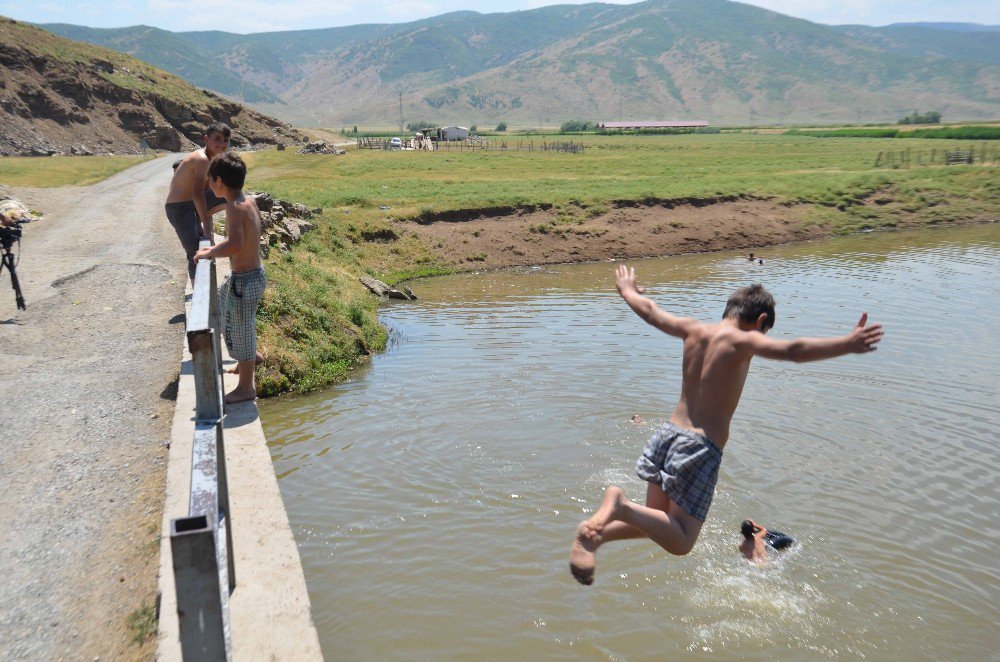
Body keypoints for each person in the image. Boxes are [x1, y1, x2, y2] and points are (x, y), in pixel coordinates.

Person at [569, 266, 883, 585]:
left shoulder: (693, 330)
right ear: (760, 323)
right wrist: (847, 344)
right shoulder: (742, 341)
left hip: (666, 435)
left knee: (656, 525)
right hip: (698, 447)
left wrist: (628, 292)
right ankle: (618, 503)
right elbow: (793, 351)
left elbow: (651, 311)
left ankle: (591, 537)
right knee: (681, 542)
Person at [193, 152, 265, 404]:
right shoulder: (248, 201)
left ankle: (246, 387)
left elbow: (235, 244)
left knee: (242, 329)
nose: (208, 184)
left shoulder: (234, 208)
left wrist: (210, 252)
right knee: (227, 309)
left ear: (219, 181)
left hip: (245, 280)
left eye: (210, 179)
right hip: (252, 275)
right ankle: (249, 357)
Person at [165, 122, 231, 280]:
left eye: (225, 140)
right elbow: (197, 194)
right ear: (206, 139)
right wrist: (207, 227)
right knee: (196, 254)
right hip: (179, 208)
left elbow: (209, 189)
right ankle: (199, 301)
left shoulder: (213, 158)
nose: (222, 144)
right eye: (217, 139)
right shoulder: (201, 159)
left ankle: (230, 235)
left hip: (191, 206)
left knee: (231, 193)